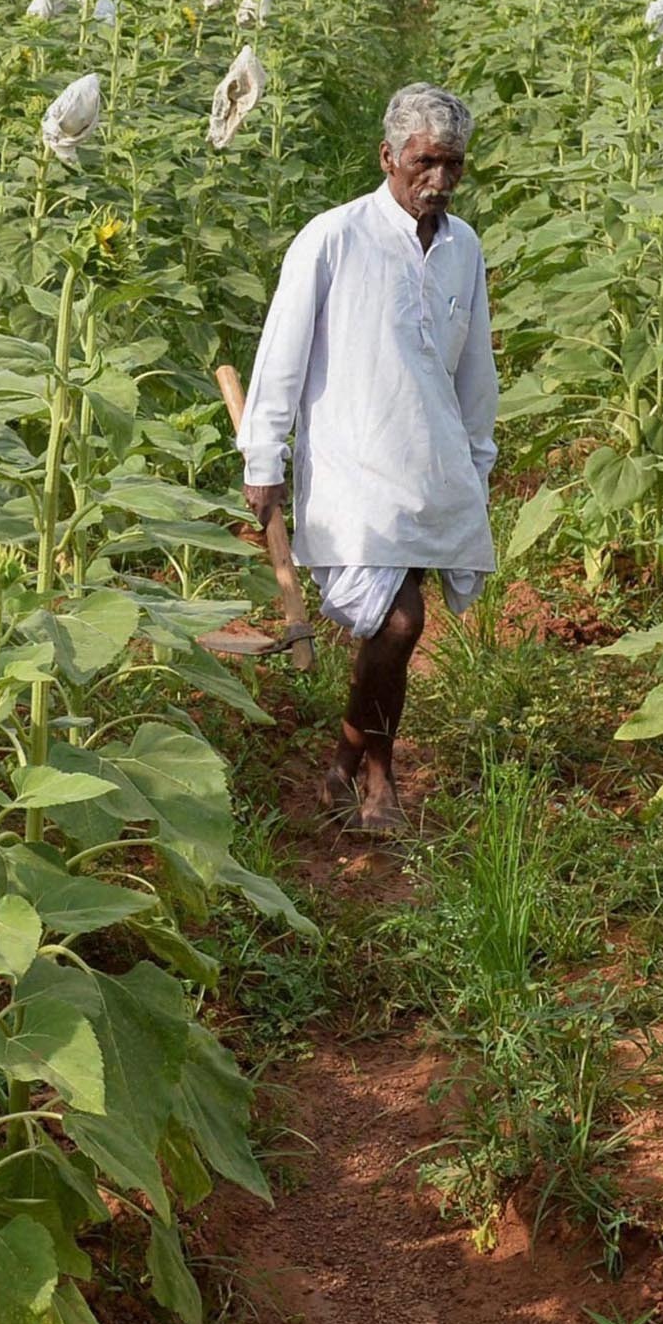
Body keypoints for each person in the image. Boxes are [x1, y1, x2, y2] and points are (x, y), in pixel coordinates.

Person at [237, 82, 498, 833]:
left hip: (431, 468)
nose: (439, 181)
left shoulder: (463, 248)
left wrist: (476, 461)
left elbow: (474, 367)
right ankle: (379, 779)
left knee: (394, 624)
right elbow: (281, 353)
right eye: (424, 162)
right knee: (398, 624)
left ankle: (343, 770)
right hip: (352, 466)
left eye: (453, 165)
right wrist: (264, 457)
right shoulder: (333, 237)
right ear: (388, 156)